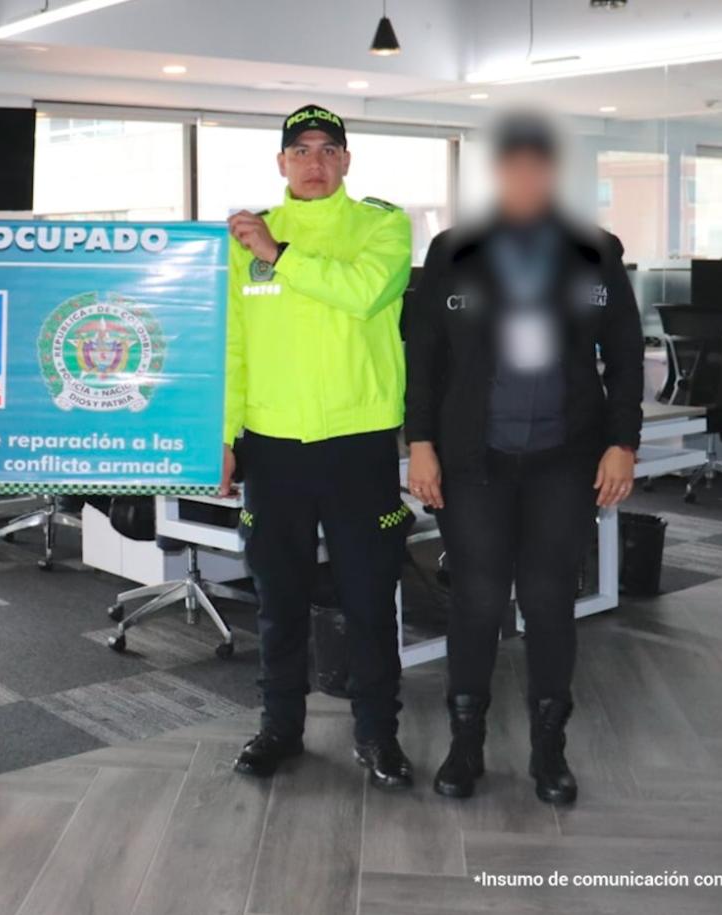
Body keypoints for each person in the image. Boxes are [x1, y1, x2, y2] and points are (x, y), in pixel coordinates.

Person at [404, 110, 643, 805]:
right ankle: (465, 746)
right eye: (515, 164)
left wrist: (622, 442)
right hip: (474, 459)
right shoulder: (453, 250)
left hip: (563, 461)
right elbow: (423, 355)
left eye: (540, 164)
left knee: (547, 600)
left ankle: (549, 752)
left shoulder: (597, 251)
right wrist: (419, 441)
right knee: (475, 600)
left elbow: (626, 355)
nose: (527, 175)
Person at [224, 104, 415, 786]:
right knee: (278, 599)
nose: (313, 162)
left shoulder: (383, 226)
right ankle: (279, 727)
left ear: (346, 161)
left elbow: (365, 294)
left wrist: (280, 256)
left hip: (358, 444)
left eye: (328, 149)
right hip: (273, 449)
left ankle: (377, 734)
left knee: (368, 597)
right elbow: (233, 347)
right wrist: (224, 437)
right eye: (300, 150)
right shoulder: (243, 238)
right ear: (281, 162)